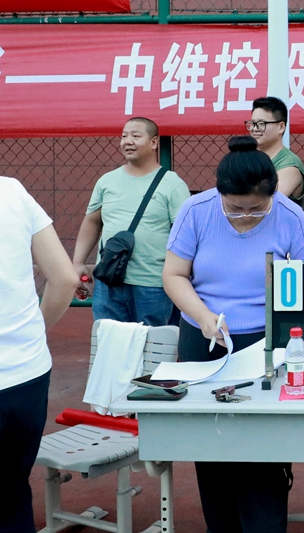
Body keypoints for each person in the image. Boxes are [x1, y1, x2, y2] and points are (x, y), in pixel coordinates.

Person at [162, 136, 304, 533]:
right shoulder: (196, 211)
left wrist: (299, 339)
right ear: (219, 193)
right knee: (212, 444)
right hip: (206, 338)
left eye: (257, 209)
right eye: (235, 208)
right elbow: (174, 274)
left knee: (263, 449)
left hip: (267, 344)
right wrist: (203, 315)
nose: (246, 217)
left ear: (273, 194)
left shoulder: (289, 215)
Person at [1, 177, 79, 533]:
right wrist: (33, 330)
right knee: (12, 495)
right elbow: (65, 278)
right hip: (27, 374)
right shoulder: (12, 191)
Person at [72, 117, 190, 326]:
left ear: (154, 142)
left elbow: (186, 234)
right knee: (109, 339)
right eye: (124, 136)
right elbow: (92, 222)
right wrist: (78, 262)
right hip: (108, 280)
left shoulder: (173, 185)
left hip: (153, 284)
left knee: (153, 342)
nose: (127, 141)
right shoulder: (106, 181)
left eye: (136, 136)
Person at [247, 96, 304, 206]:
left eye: (261, 123)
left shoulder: (290, 164)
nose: (254, 128)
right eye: (252, 123)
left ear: (281, 127)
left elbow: (265, 203)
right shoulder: (247, 157)